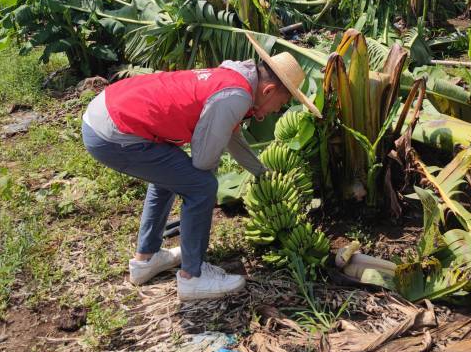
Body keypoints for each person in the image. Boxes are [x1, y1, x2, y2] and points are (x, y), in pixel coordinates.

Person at [81, 33, 321, 301]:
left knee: (169, 175)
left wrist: (262, 173)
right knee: (202, 185)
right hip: (114, 132)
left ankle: (145, 260)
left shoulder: (235, 78)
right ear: (268, 91)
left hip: (107, 112)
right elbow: (203, 162)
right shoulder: (236, 96)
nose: (279, 110)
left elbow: (231, 134)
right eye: (282, 103)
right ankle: (193, 278)